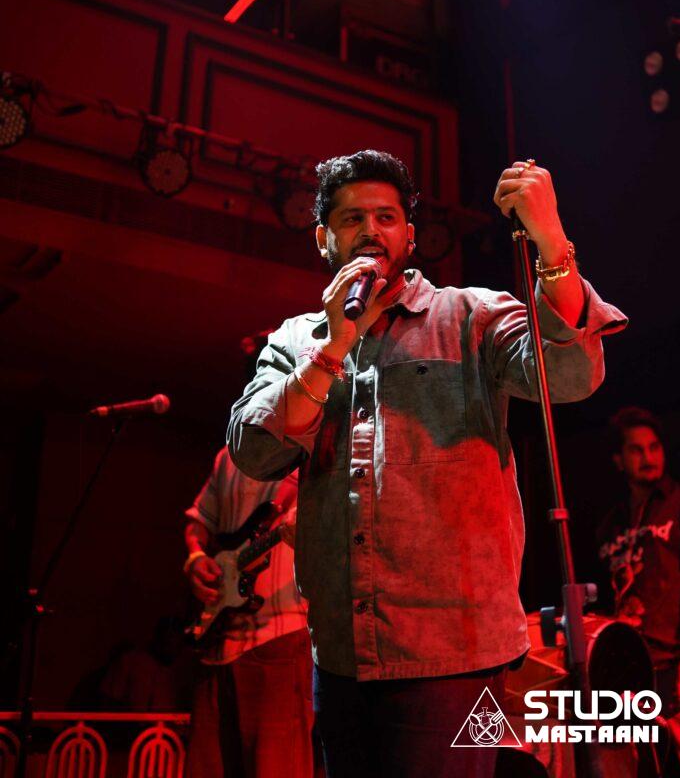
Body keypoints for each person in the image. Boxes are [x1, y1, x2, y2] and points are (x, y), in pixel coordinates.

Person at [227, 149, 627, 778]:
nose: (371, 231)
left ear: (409, 235)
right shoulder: (296, 340)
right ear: (323, 239)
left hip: (457, 659)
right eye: (352, 218)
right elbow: (254, 452)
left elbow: (572, 374)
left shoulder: (469, 316)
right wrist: (333, 347)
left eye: (386, 217)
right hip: (341, 657)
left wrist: (551, 241)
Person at [183, 447, 315, 778]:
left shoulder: (311, 447)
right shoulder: (227, 455)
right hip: (217, 643)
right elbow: (198, 522)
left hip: (280, 639)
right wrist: (196, 558)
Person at [597, 407, 680, 719]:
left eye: (654, 447)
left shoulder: (679, 504)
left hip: (672, 663)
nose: (648, 457)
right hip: (627, 668)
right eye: (636, 450)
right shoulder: (609, 524)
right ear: (619, 460)